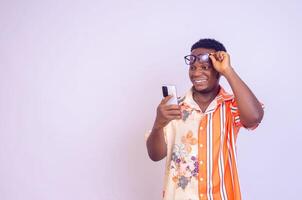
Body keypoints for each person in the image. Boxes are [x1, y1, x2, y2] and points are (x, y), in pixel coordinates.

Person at [146, 38, 264, 200]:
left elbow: (254, 117)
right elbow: (155, 155)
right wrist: (158, 124)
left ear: (218, 70)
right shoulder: (173, 108)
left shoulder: (230, 105)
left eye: (204, 67)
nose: (195, 73)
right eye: (192, 67)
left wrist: (228, 70)